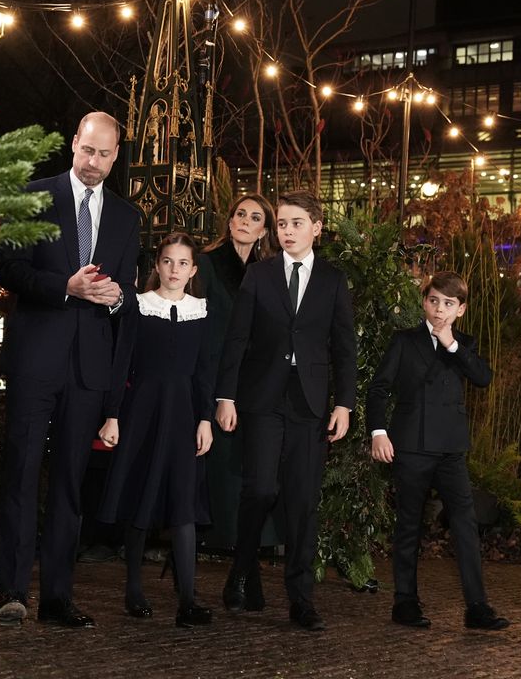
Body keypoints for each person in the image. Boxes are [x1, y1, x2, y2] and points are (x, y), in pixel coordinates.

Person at [0, 111, 140, 628]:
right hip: (35, 360)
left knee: (70, 486)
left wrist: (118, 297)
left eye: (104, 155)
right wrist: (65, 287)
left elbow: (125, 300)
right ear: (73, 143)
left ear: (116, 155)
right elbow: (7, 269)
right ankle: (11, 591)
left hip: (88, 369)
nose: (94, 163)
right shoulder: (33, 195)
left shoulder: (126, 217)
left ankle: (57, 596)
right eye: (87, 151)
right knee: (22, 474)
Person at [215, 189, 357, 631]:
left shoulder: (333, 281)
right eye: (281, 224)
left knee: (301, 501)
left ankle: (301, 599)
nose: (287, 231)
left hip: (310, 403)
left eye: (296, 223)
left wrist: (344, 404)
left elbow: (344, 349)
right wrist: (225, 396)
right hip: (262, 398)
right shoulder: (259, 275)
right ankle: (241, 569)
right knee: (258, 489)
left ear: (316, 227)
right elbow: (236, 338)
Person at [367, 271, 510, 631]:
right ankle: (405, 602)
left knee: (465, 525)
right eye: (433, 301)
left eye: (448, 304)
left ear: (460, 309)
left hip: (451, 450)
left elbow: (483, 378)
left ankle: (476, 607)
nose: (439, 309)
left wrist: (451, 345)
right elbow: (379, 388)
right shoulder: (404, 341)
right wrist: (378, 432)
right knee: (409, 525)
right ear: (424, 302)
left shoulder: (464, 345)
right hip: (411, 446)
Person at [97, 232, 215, 628]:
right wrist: (112, 414)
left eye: (183, 263)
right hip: (143, 413)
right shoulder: (139, 307)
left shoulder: (201, 311)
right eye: (168, 261)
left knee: (183, 505)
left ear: (193, 270)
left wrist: (205, 419)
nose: (174, 270)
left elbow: (204, 373)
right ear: (157, 266)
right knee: (141, 499)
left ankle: (187, 600)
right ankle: (133, 589)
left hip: (184, 416)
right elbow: (120, 362)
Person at [198, 195, 282, 566]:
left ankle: (255, 538)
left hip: (257, 379)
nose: (246, 221)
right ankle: (217, 534)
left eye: (255, 217)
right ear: (230, 221)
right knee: (219, 457)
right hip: (214, 368)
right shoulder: (206, 263)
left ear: (264, 230)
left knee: (254, 460)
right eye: (240, 214)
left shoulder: (269, 270)